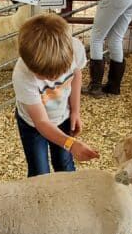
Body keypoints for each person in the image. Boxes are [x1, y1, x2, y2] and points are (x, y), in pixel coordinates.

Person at [12, 13, 100, 176]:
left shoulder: (75, 48)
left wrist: (75, 111)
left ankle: (68, 199)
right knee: (40, 172)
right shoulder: (22, 75)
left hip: (62, 116)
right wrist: (71, 144)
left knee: (64, 163)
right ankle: (40, 200)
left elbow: (76, 75)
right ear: (29, 65)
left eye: (59, 73)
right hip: (32, 124)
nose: (53, 80)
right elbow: (42, 122)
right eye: (44, 76)